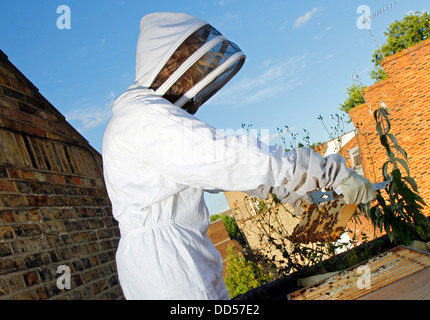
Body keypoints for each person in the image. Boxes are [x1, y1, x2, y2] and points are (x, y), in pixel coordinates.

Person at [102, 12, 374, 300]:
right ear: (172, 63)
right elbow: (226, 157)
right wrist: (327, 173)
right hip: (169, 264)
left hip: (162, 257)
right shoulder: (144, 116)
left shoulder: (135, 118)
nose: (197, 77)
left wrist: (292, 190)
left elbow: (220, 169)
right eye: (196, 68)